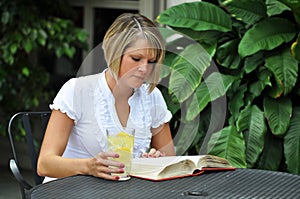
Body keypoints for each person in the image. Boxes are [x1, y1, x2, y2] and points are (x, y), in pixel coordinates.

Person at [37, 13, 175, 182]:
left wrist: (156, 161)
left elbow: (170, 162)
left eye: (151, 61)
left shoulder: (152, 97)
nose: (144, 69)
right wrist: (89, 167)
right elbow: (44, 164)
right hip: (69, 191)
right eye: (136, 58)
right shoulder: (77, 90)